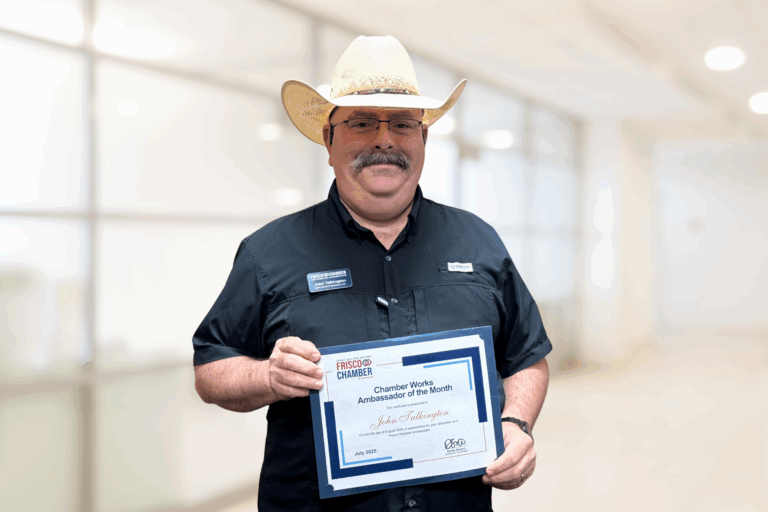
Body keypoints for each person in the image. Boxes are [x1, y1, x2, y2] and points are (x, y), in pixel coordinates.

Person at [192, 35, 551, 512]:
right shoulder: (269, 253)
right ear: (329, 140)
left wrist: (517, 424)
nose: (384, 140)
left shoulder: (478, 242)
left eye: (402, 124)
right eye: (361, 123)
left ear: (423, 139)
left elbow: (527, 356)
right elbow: (211, 368)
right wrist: (268, 376)